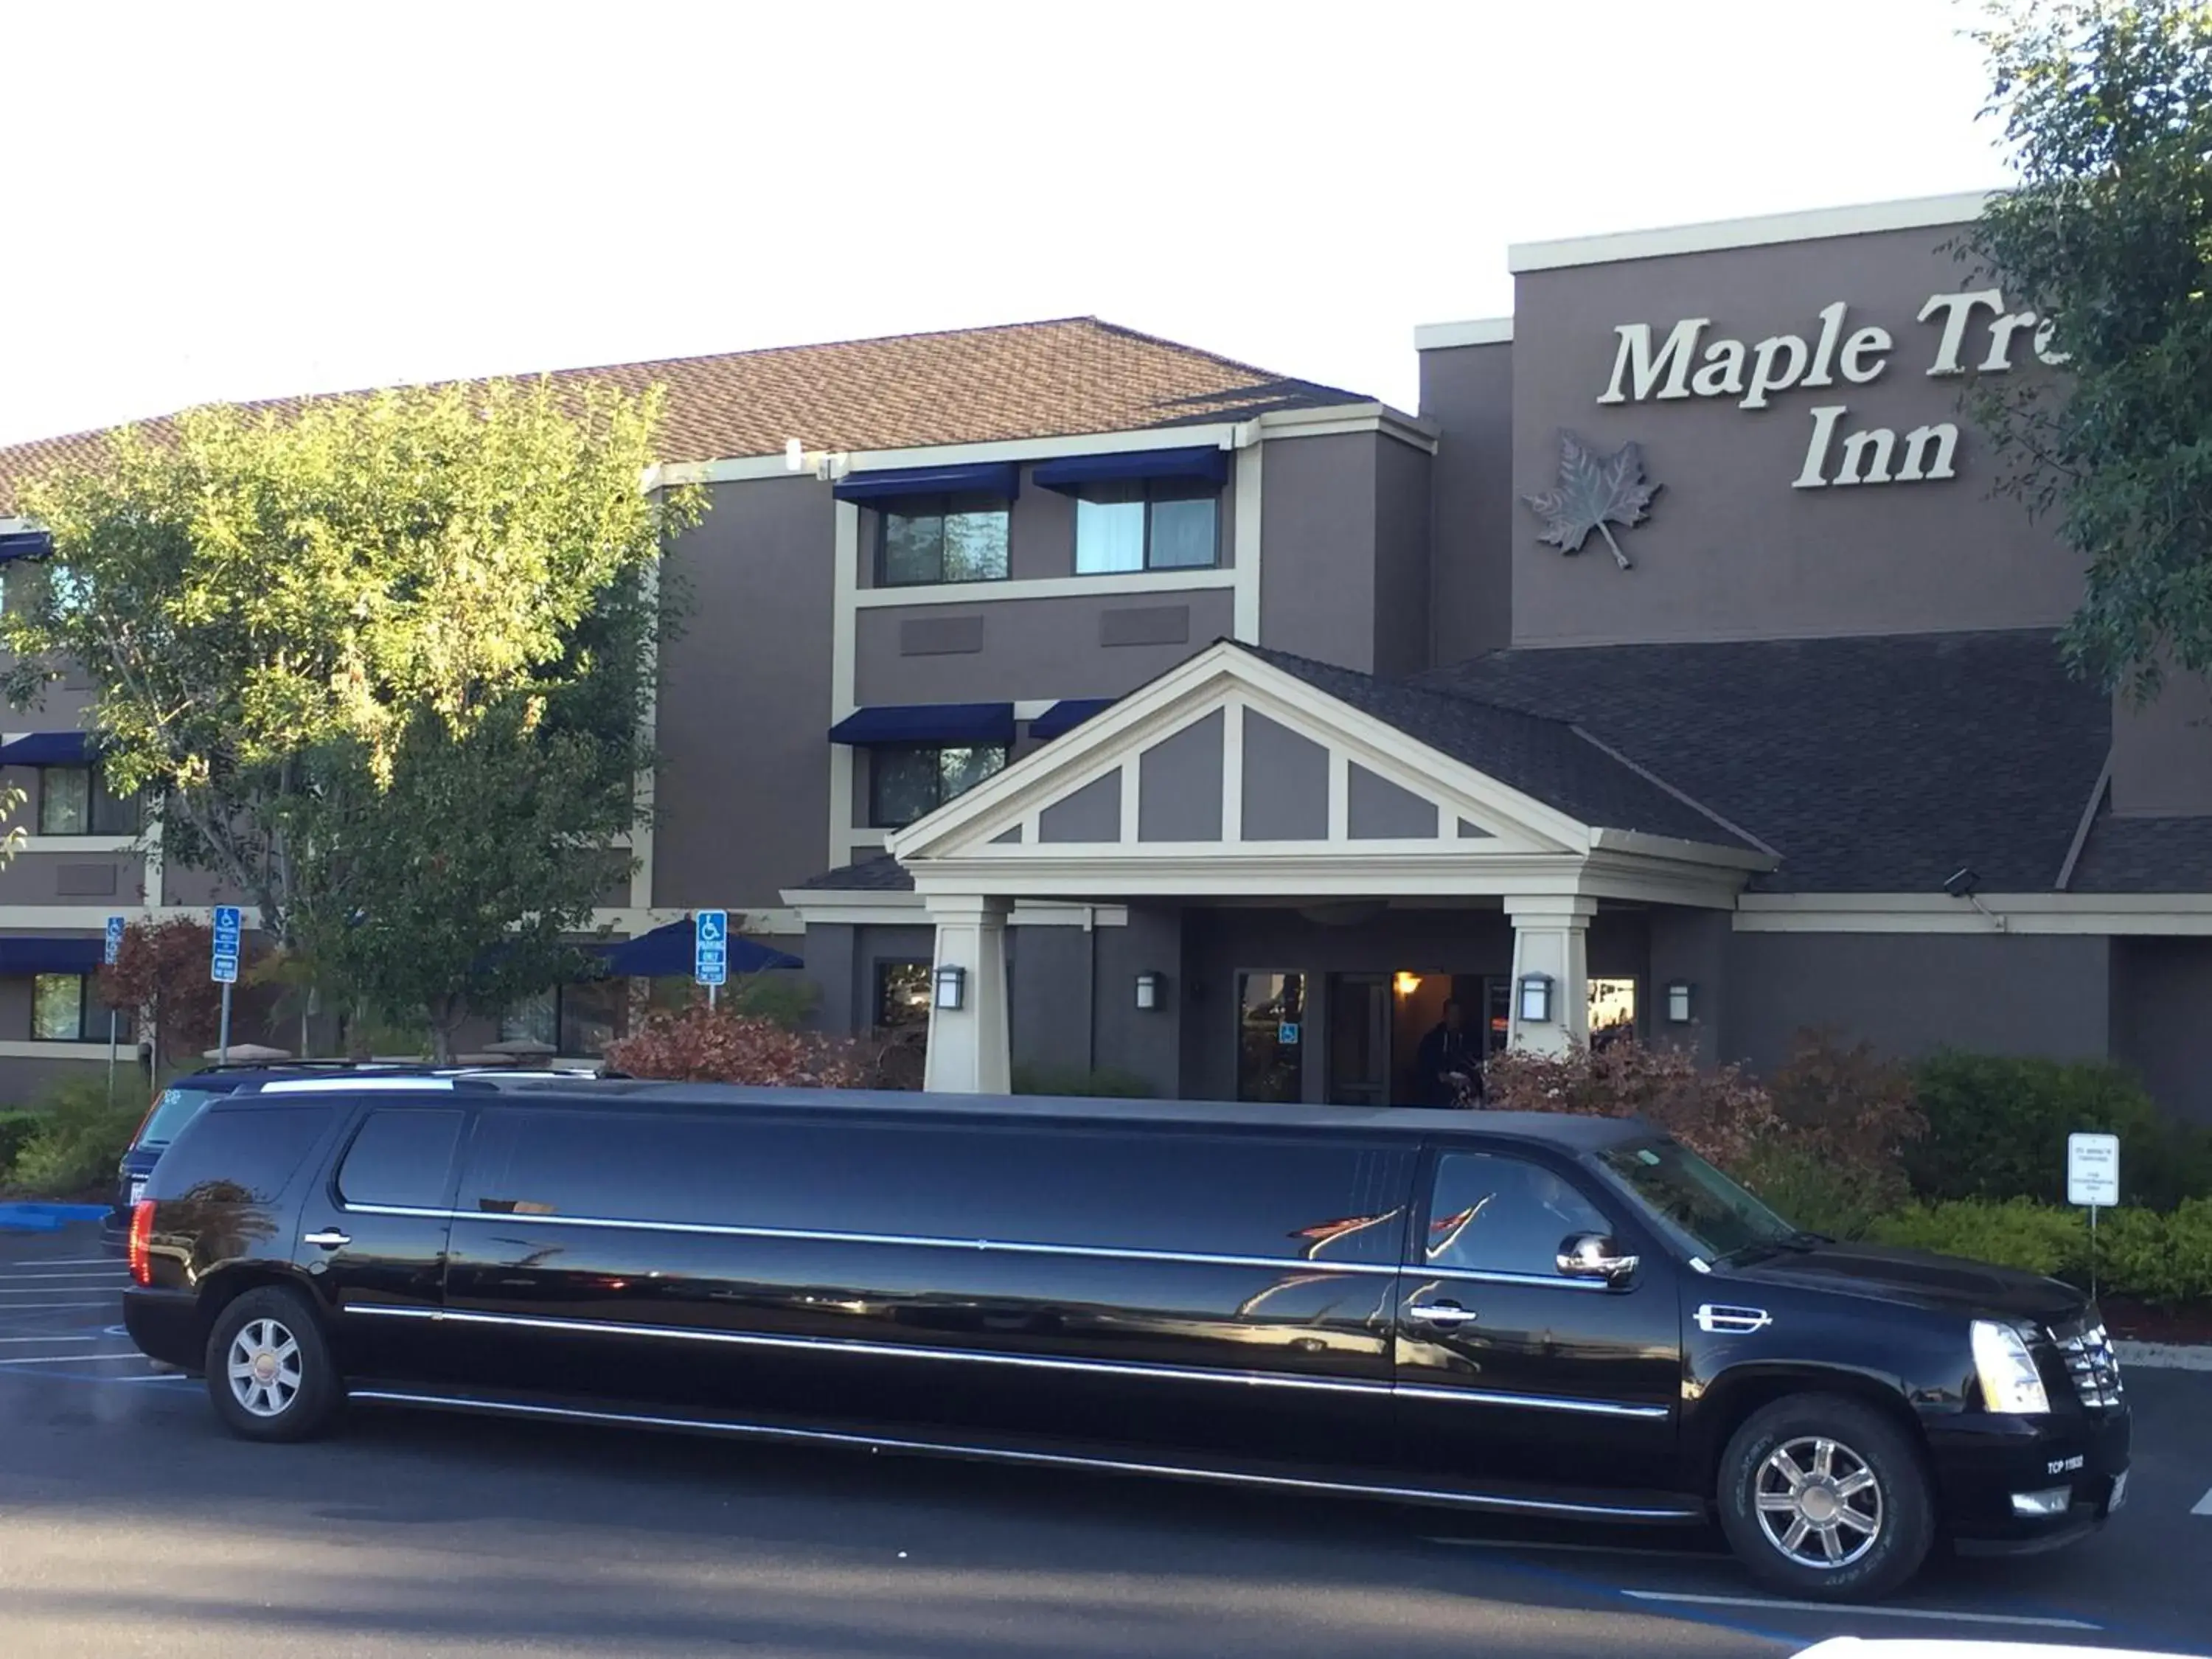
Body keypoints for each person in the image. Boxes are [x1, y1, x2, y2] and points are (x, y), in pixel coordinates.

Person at [1414, 999, 1483, 1107]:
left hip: (1465, 1098)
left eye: (1458, 1014)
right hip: (1436, 1098)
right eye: (1452, 1014)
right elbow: (1424, 1067)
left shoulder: (1470, 1039)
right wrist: (1443, 1077)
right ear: (1445, 1016)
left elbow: (1477, 1063)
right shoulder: (1432, 1040)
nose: (1456, 1018)